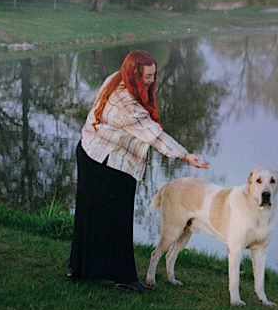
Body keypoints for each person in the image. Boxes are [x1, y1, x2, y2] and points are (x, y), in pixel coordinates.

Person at [67, 49, 210, 293]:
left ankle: (79, 269)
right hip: (107, 162)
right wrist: (185, 155)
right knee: (118, 219)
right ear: (134, 75)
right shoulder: (127, 106)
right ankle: (124, 279)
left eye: (154, 75)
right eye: (147, 76)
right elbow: (155, 136)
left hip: (90, 151)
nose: (152, 80)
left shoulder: (116, 77)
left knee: (90, 213)